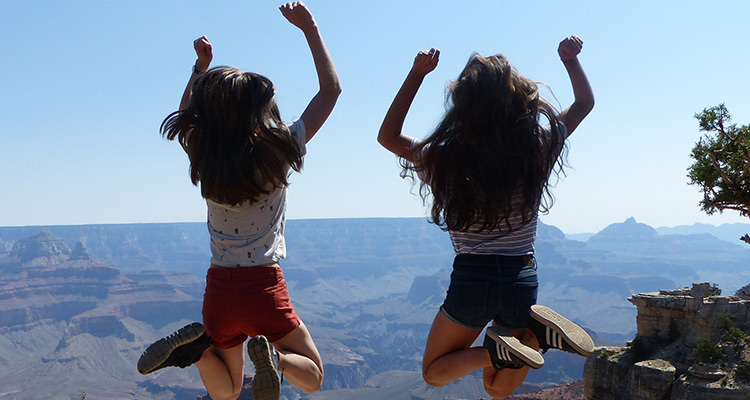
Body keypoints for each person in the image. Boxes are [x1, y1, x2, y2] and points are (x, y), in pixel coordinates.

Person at [136, 3, 341, 400]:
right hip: (264, 287)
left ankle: (196, 352)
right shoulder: (279, 150)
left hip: (220, 291)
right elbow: (330, 91)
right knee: (313, 376)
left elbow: (185, 114)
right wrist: (310, 28)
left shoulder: (205, 155)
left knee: (228, 391)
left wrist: (199, 68)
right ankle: (277, 361)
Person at [377, 36, 594, 398]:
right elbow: (584, 104)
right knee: (496, 389)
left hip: (472, 280)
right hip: (521, 278)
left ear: (463, 106)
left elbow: (388, 136)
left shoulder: (444, 159)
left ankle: (508, 346)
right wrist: (570, 61)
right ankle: (535, 338)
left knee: (433, 373)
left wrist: (417, 75)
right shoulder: (535, 150)